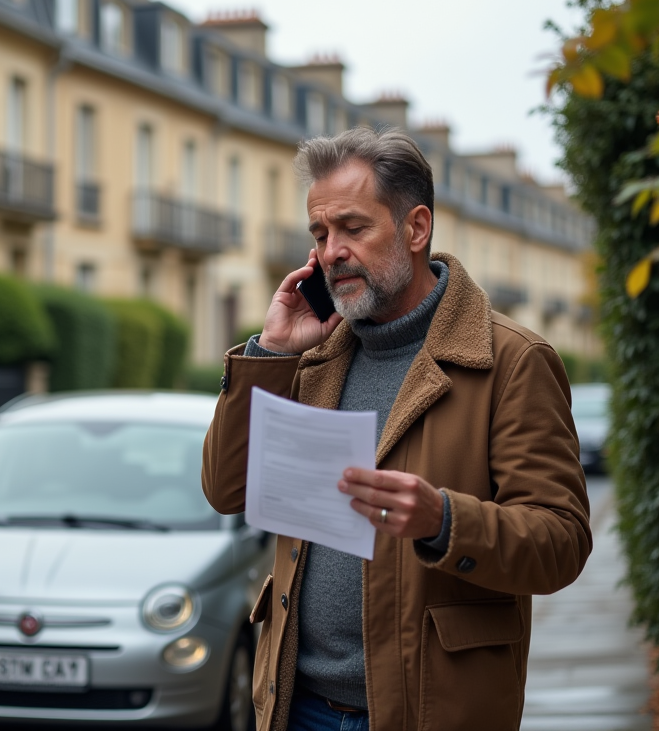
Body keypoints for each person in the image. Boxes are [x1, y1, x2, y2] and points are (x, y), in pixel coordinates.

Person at [201, 127, 592, 731]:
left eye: (353, 228)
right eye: (320, 234)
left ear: (416, 229)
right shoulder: (309, 355)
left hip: (430, 712)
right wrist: (271, 353)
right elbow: (228, 490)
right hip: (294, 706)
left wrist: (444, 521)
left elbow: (561, 543)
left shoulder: (512, 360)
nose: (331, 252)